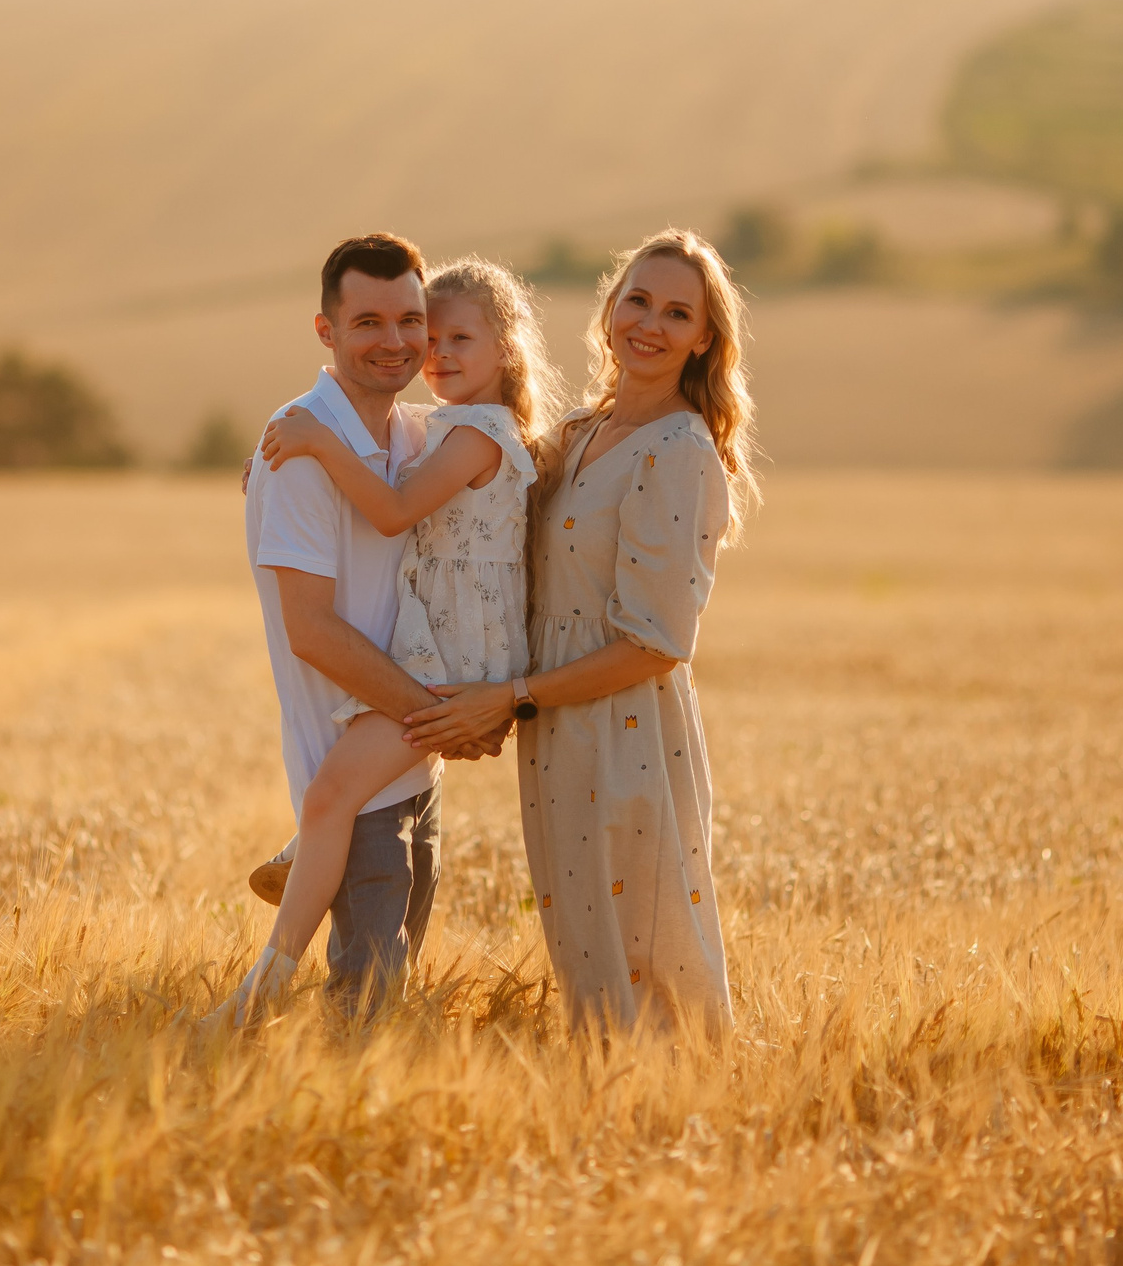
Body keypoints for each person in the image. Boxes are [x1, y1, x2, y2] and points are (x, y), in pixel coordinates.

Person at [401, 230, 759, 1032]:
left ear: (704, 338)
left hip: (625, 727)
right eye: (638, 299)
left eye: (677, 313)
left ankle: (682, 1113)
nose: (650, 324)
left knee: (643, 942)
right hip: (553, 727)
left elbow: (656, 643)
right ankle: (614, 1107)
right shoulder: (580, 429)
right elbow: (466, 494)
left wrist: (511, 695)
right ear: (609, 306)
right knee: (584, 947)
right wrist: (307, 468)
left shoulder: (679, 453)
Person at [215, 256, 557, 1025]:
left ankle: (271, 954)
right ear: (328, 331)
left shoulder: (462, 435)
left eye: (442, 333)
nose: (425, 350)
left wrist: (316, 449)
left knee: (334, 798)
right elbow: (318, 615)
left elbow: (394, 510)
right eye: (415, 331)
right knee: (337, 799)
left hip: (456, 663)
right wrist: (276, 470)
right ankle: (273, 952)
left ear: (507, 346)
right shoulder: (432, 430)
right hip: (438, 667)